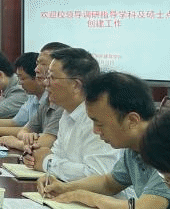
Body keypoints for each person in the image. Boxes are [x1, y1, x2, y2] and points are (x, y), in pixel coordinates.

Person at [38, 72, 170, 209]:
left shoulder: (169, 149)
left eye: (100, 124)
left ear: (132, 120)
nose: (95, 131)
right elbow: (109, 183)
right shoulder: (134, 148)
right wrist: (64, 188)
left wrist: (87, 197)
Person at [25, 46, 119, 182]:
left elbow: (97, 175)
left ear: (75, 85)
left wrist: (47, 162)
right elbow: (56, 155)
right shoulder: (68, 113)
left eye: (52, 77)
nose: (45, 82)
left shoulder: (98, 119)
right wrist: (36, 156)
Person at [0, 42, 68, 152]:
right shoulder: (47, 100)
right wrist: (27, 137)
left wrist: (15, 142)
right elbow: (24, 131)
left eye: (43, 64)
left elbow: (44, 144)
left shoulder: (64, 103)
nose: (36, 70)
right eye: (37, 64)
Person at [0, 52, 42, 140]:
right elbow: (15, 122)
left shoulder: (21, 90)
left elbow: (33, 131)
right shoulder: (32, 97)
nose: (20, 82)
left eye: (22, 78)